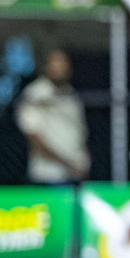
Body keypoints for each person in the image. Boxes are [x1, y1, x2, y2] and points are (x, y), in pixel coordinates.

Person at [15, 49, 88, 183]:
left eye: (63, 64)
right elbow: (35, 139)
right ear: (46, 66)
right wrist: (68, 164)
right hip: (49, 174)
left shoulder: (70, 94)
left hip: (75, 173)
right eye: (55, 64)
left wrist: (80, 164)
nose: (60, 68)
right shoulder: (35, 94)